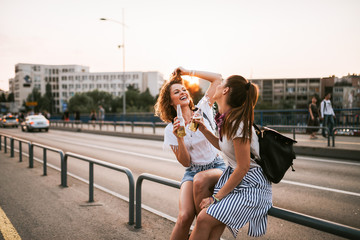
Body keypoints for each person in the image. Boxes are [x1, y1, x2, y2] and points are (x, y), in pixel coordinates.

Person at [189, 74, 272, 239]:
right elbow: (224, 147)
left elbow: (243, 167)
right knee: (212, 227)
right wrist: (204, 129)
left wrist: (216, 198)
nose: (217, 85)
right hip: (238, 181)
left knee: (204, 218)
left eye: (221, 84)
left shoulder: (238, 124)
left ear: (225, 90)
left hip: (252, 187)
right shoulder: (228, 120)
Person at [154, 67, 226, 240]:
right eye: (176, 92)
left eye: (184, 89)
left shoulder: (203, 109)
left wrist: (187, 72)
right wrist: (180, 137)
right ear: (170, 101)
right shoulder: (171, 129)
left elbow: (218, 78)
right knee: (184, 216)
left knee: (203, 218)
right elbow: (186, 163)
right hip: (193, 171)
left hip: (216, 166)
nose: (182, 92)